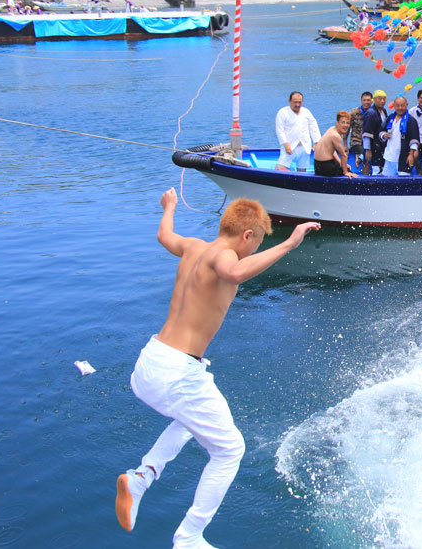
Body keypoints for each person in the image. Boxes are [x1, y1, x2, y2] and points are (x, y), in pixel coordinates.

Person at [116, 189, 319, 549]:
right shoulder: (226, 256)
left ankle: (142, 477)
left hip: (150, 362)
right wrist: (289, 244)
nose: (255, 249)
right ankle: (190, 536)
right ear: (247, 236)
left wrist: (170, 207)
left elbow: (165, 236)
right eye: (257, 243)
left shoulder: (195, 247)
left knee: (190, 421)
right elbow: (236, 271)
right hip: (176, 373)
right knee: (229, 450)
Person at [275, 91, 321, 172]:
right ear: (289, 101)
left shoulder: (306, 112)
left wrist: (316, 142)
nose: (297, 105)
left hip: (305, 146)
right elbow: (279, 129)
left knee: (302, 170)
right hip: (289, 146)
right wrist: (285, 143)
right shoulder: (282, 112)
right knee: (280, 168)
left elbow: (313, 126)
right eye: (295, 102)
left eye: (299, 102)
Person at [381, 96, 420, 176]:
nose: (400, 108)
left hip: (404, 157)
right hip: (389, 157)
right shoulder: (390, 118)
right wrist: (384, 135)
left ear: (406, 105)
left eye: (402, 105)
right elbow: (381, 131)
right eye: (398, 106)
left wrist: (411, 154)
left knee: (404, 182)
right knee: (387, 181)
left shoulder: (411, 120)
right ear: (394, 106)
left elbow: (414, 139)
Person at [313, 111, 358, 177]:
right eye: (343, 122)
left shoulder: (331, 129)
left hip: (317, 166)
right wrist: (345, 172)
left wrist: (341, 163)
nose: (345, 125)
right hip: (325, 167)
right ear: (337, 123)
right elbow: (343, 155)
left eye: (347, 123)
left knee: (341, 165)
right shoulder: (336, 136)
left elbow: (332, 150)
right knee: (349, 171)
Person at [361, 90, 389, 175]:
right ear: (374, 100)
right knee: (375, 167)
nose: (382, 101)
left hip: (381, 144)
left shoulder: (383, 110)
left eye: (384, 99)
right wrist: (368, 149)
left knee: (381, 166)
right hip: (373, 145)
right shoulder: (370, 113)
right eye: (380, 99)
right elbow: (366, 133)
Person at [348, 91, 373, 173]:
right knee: (365, 154)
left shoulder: (374, 112)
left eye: (368, 100)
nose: (366, 102)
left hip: (370, 141)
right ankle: (366, 176)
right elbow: (347, 128)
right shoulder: (354, 113)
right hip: (356, 141)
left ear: (372, 101)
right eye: (364, 100)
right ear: (361, 101)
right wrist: (344, 144)